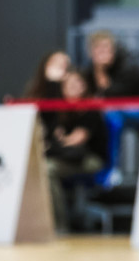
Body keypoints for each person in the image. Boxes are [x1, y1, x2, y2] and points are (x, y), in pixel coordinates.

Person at [44, 71, 108, 231]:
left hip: (91, 159)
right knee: (41, 167)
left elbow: (75, 140)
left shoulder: (90, 109)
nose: (72, 87)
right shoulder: (60, 110)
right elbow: (53, 138)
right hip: (67, 158)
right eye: (68, 84)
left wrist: (57, 143)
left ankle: (60, 226)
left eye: (77, 83)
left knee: (48, 169)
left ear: (84, 86)